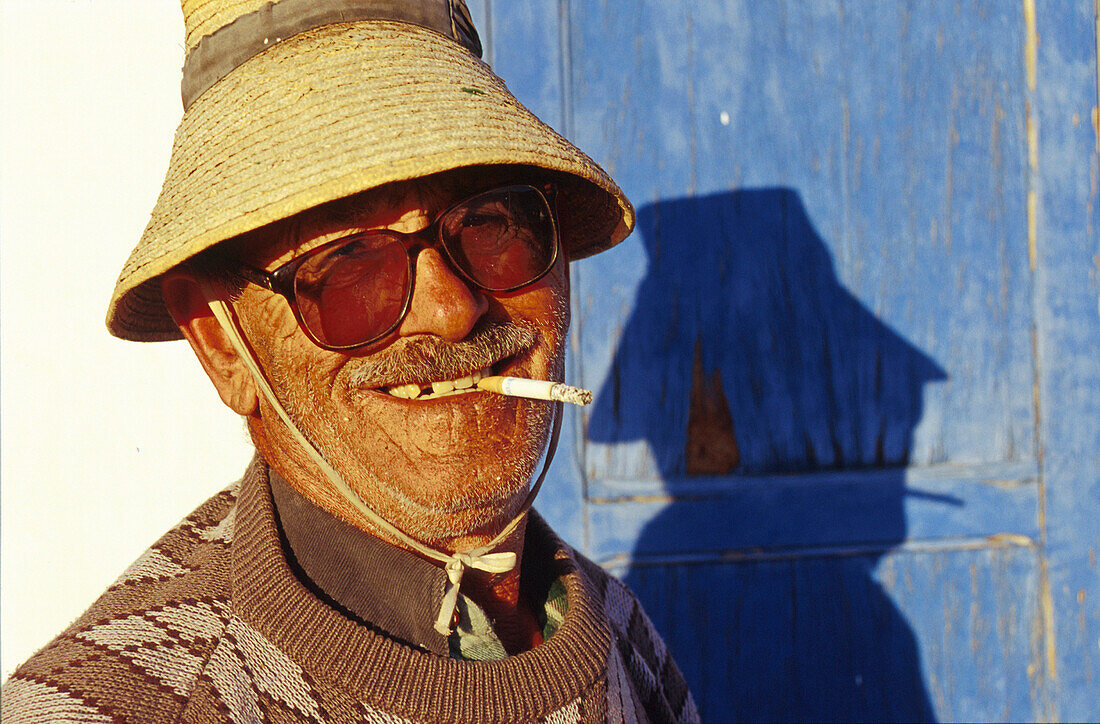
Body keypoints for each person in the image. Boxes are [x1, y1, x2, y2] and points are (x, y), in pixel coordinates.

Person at [2, 1, 698, 722]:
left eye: (493, 221)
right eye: (348, 262)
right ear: (218, 338)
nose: (451, 308)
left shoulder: (617, 632)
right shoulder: (117, 709)